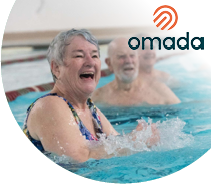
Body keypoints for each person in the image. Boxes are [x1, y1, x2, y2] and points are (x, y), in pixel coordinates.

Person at [22, 29, 159, 163]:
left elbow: (118, 144)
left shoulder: (90, 109)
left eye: (94, 56)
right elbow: (77, 160)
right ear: (56, 67)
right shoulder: (49, 106)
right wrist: (136, 141)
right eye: (79, 56)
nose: (90, 62)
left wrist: (142, 138)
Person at [92, 37, 180, 106]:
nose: (129, 61)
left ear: (138, 59)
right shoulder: (98, 98)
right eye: (122, 56)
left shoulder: (160, 91)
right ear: (109, 63)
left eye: (132, 56)